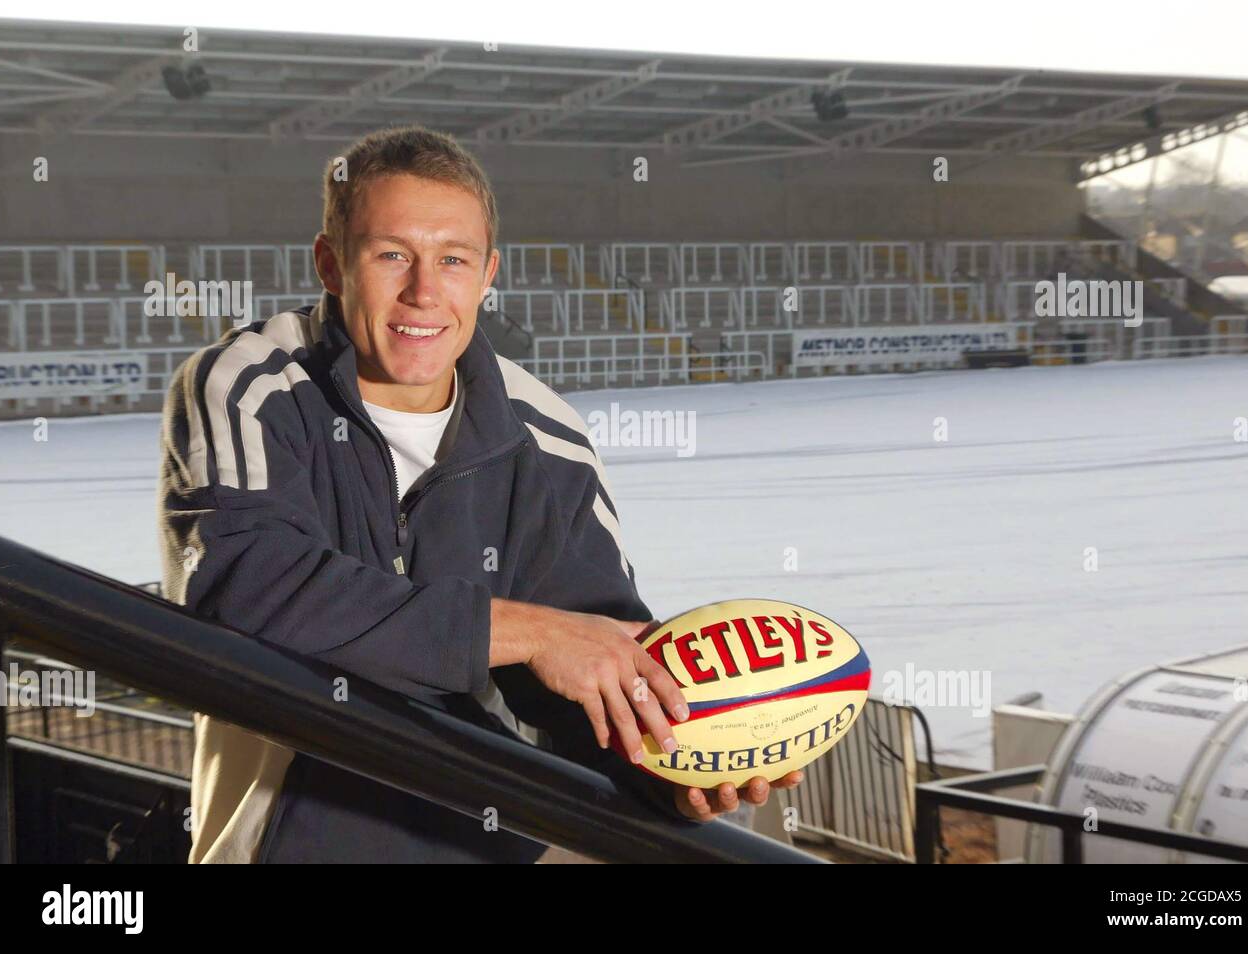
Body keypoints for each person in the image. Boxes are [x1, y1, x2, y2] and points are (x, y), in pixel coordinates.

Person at [158, 125, 801, 863]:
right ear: (331, 264)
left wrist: (676, 773)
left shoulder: (547, 437)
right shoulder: (249, 385)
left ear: (487, 273)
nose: (424, 291)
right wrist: (528, 632)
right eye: (392, 254)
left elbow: (598, 677)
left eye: (453, 259)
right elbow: (247, 592)